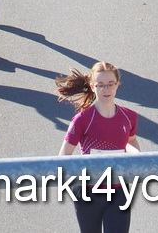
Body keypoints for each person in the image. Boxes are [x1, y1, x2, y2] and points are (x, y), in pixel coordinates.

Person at [57, 62, 140, 233]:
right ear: (92, 87)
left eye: (110, 84)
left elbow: (130, 141)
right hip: (88, 192)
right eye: (100, 85)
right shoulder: (82, 119)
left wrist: (137, 155)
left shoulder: (128, 116)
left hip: (118, 190)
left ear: (118, 84)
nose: (106, 89)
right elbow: (64, 155)